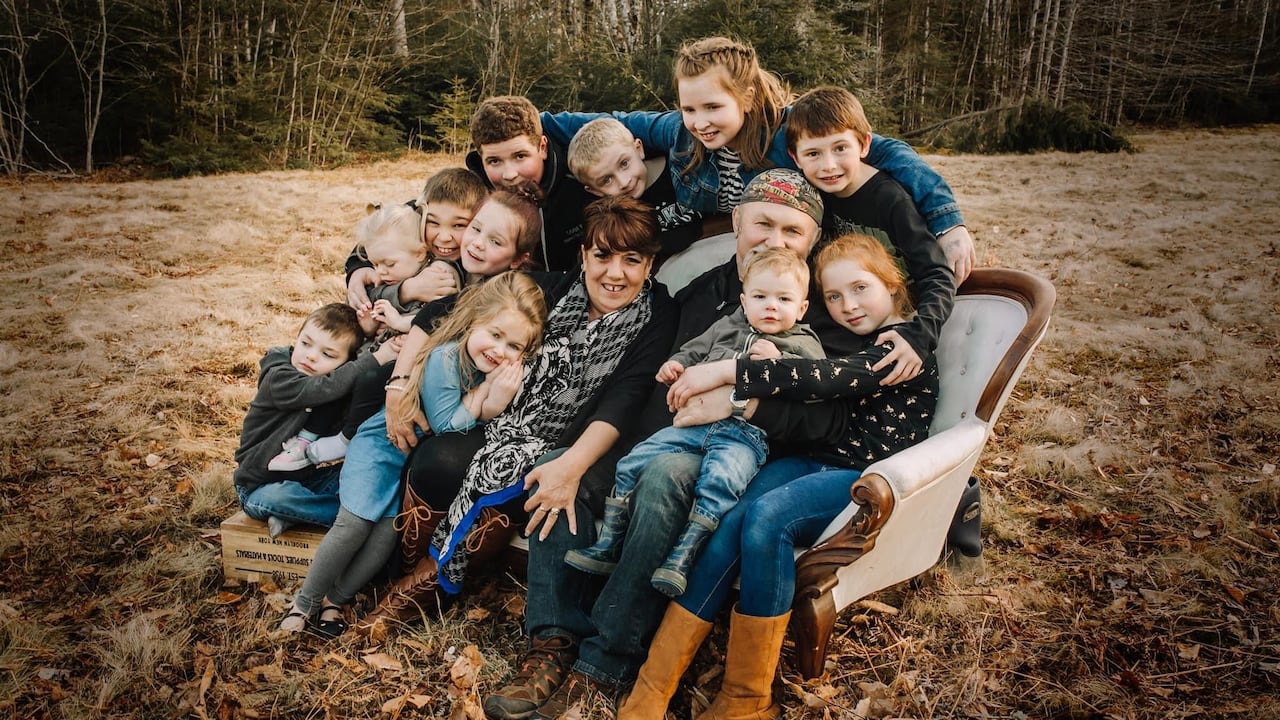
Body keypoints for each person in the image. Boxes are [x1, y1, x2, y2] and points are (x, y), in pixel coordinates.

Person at [481, 169, 829, 720]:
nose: (776, 241)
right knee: (558, 467)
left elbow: (827, 418)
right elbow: (645, 379)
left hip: (736, 455)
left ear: (813, 241)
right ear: (738, 221)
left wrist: (740, 402)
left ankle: (606, 663)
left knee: (663, 479)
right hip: (661, 436)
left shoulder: (811, 301)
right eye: (764, 223)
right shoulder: (694, 294)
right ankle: (552, 642)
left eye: (794, 231)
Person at [618, 232, 939, 720]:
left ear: (892, 285)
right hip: (808, 461)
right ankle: (654, 682)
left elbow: (822, 380)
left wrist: (725, 373)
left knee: (769, 518)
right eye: (834, 296)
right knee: (730, 521)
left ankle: (747, 697)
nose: (848, 306)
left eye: (860, 288)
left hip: (861, 475)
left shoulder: (905, 347)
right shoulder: (848, 339)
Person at [357, 194, 678, 636]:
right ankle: (409, 569)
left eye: (632, 260)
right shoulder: (554, 290)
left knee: (504, 473)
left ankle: (422, 589)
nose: (615, 273)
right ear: (584, 256)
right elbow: (440, 311)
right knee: (438, 460)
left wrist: (570, 465)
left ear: (650, 264)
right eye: (602, 256)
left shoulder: (656, 314)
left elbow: (625, 399)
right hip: (505, 420)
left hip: (575, 441)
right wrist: (399, 384)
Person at [539, 35, 976, 285]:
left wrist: (949, 224)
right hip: (721, 246)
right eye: (689, 108)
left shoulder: (786, 132)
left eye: (713, 107)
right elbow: (606, 121)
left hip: (787, 251)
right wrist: (529, 126)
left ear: (746, 98)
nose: (700, 122)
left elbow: (889, 151)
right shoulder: (677, 132)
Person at [277, 272, 546, 637]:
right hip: (380, 447)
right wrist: (486, 402)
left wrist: (486, 400)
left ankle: (335, 600)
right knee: (353, 525)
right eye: (495, 334)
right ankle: (304, 603)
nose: (499, 350)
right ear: (473, 322)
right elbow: (445, 424)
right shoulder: (445, 358)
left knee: (385, 537)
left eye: (514, 346)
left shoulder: (494, 370)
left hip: (404, 461)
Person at [564, 247, 823, 598]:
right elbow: (694, 349)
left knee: (722, 481)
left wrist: (779, 363)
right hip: (691, 426)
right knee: (633, 461)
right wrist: (677, 363)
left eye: (784, 299)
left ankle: (682, 556)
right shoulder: (727, 325)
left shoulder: (803, 343)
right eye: (761, 297)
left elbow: (812, 386)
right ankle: (609, 542)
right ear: (744, 301)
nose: (771, 306)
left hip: (743, 437)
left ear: (802, 308)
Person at [303, 187, 544, 469]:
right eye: (475, 229)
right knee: (352, 376)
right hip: (402, 359)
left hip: (440, 390)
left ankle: (341, 440)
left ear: (518, 259)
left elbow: (441, 314)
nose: (477, 243)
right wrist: (378, 281)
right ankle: (319, 437)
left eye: (495, 241)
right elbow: (394, 233)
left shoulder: (502, 296)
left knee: (370, 379)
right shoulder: (440, 259)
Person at [787, 85, 955, 385]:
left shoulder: (890, 200)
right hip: (843, 319)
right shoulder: (814, 196)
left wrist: (920, 335)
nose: (828, 165)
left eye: (840, 148)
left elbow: (936, 273)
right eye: (813, 153)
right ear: (795, 158)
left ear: (864, 144)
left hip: (894, 323)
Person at [233, 303, 395, 538]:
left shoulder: (336, 384)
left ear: (345, 362)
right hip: (258, 487)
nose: (311, 356)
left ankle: (297, 514)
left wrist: (370, 338)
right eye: (305, 343)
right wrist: (378, 358)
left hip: (308, 480)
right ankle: (358, 518)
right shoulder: (278, 377)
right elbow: (325, 387)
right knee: (277, 498)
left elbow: (348, 376)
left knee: (365, 471)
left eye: (327, 354)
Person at [463, 95, 596, 272]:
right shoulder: (474, 195)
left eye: (520, 156)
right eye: (494, 161)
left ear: (542, 147)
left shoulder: (583, 180)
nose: (509, 174)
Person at [566, 117, 701, 262]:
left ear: (638, 149)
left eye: (624, 164)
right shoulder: (613, 218)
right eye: (606, 180)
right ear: (594, 190)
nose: (624, 182)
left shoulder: (683, 168)